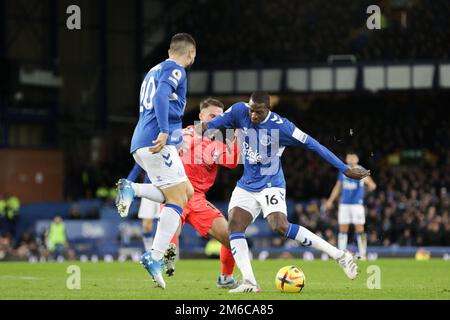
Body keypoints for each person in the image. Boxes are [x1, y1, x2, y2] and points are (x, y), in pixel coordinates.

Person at [200, 91, 370, 293]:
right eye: (252, 111)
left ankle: (340, 256)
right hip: (246, 184)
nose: (253, 116)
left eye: (258, 112)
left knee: (279, 226)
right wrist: (181, 134)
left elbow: (314, 145)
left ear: (268, 110)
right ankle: (250, 282)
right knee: (235, 226)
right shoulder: (239, 111)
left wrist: (344, 168)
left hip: (271, 183)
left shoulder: (283, 127)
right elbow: (210, 127)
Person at [125, 97, 240, 289]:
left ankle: (226, 278)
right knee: (171, 234)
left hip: (198, 199)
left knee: (231, 238)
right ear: (201, 116)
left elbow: (232, 162)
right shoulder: (186, 133)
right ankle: (160, 265)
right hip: (176, 192)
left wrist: (237, 135)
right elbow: (180, 142)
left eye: (219, 117)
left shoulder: (217, 143)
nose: (215, 121)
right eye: (211, 116)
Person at [116, 33, 196, 289]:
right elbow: (162, 97)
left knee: (187, 191)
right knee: (178, 199)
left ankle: (134, 189)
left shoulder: (153, 69)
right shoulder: (177, 70)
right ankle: (155, 255)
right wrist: (164, 131)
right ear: (191, 54)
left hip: (142, 140)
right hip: (156, 140)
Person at [325, 151, 377, 260]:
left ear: (357, 159)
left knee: (360, 228)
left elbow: (369, 180)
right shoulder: (343, 170)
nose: (351, 160)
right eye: (349, 158)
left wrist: (371, 184)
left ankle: (363, 254)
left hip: (357, 205)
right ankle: (342, 254)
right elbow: (338, 186)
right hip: (344, 204)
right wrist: (330, 200)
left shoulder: (361, 169)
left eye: (353, 158)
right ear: (347, 159)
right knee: (343, 228)